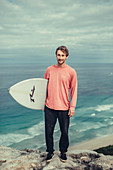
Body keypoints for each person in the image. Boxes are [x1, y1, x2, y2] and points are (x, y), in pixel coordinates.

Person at [44, 46, 77, 163]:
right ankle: (50, 152)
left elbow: (74, 90)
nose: (60, 57)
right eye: (58, 55)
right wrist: (42, 104)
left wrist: (72, 107)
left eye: (62, 55)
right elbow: (44, 88)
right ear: (56, 55)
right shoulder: (49, 70)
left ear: (66, 56)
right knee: (48, 132)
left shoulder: (71, 71)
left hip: (64, 107)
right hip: (49, 107)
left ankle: (63, 152)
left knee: (64, 132)